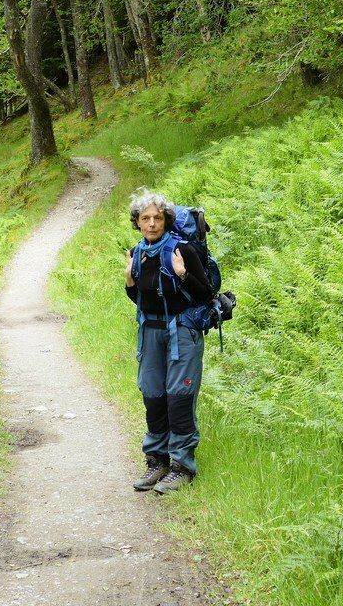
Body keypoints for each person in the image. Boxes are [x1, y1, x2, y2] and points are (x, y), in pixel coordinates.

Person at [125, 190, 212, 493]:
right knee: (153, 395)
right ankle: (157, 461)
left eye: (157, 218)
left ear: (166, 221)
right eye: (145, 218)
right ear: (137, 222)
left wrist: (183, 274)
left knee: (179, 397)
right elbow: (141, 298)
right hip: (150, 331)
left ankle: (182, 467)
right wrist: (129, 281)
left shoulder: (181, 249)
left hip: (182, 331)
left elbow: (205, 293)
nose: (151, 223)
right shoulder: (137, 252)